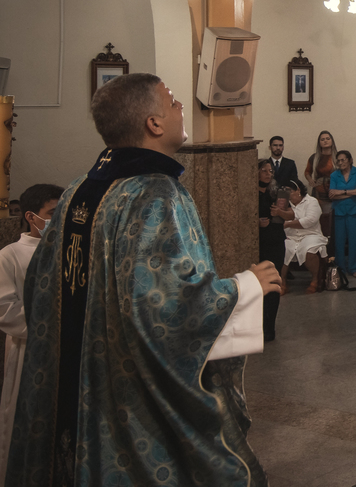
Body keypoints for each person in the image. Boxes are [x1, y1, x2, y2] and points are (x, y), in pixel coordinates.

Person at [8, 73, 281, 486]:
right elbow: (168, 309)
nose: (180, 106)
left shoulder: (77, 192)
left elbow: (41, 290)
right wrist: (245, 288)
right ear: (153, 124)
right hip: (126, 399)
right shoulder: (156, 193)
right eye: (172, 101)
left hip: (75, 386)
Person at [0, 183, 62, 475]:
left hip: (66, 349)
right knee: (23, 420)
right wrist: (49, 324)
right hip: (29, 350)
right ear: (30, 216)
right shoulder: (10, 255)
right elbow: (5, 309)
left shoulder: (69, 249)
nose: (58, 219)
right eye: (52, 213)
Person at [281, 180, 328, 293]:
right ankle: (282, 282)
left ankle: (315, 280)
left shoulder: (311, 202)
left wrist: (288, 224)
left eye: (289, 191)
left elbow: (310, 220)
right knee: (282, 249)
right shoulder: (284, 203)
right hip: (291, 236)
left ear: (298, 190)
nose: (287, 194)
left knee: (309, 250)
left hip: (311, 234)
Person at [257, 160, 285, 336]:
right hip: (258, 242)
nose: (268, 174)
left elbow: (290, 214)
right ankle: (256, 325)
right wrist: (257, 223)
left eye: (271, 171)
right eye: (264, 170)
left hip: (276, 239)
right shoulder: (249, 192)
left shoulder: (278, 192)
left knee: (274, 282)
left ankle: (270, 327)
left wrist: (279, 213)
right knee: (259, 285)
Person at [329, 150, 356, 278]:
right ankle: (341, 269)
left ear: (350, 160)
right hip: (339, 211)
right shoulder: (334, 175)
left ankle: (353, 268)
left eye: (343, 160)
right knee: (339, 241)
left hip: (354, 210)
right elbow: (332, 195)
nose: (341, 163)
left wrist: (342, 192)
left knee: (354, 241)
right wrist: (352, 192)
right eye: (338, 161)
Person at [304, 129, 338, 202]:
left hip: (335, 190)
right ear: (319, 143)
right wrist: (310, 180)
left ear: (332, 141)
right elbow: (307, 172)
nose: (325, 141)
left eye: (328, 139)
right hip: (318, 192)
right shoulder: (314, 158)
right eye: (322, 139)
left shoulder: (338, 157)